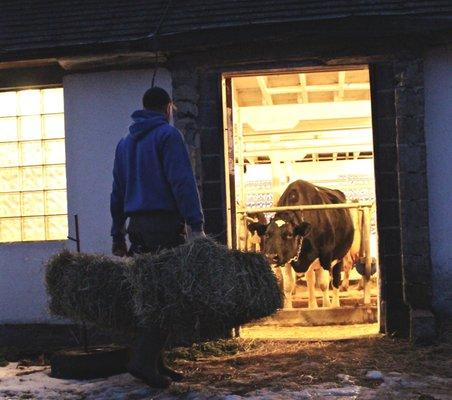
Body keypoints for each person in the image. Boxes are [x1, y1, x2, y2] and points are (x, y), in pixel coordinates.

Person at [110, 86, 205, 388]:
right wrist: (195, 223)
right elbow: (182, 180)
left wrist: (117, 233)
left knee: (150, 294)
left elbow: (118, 192)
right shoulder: (168, 136)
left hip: (136, 226)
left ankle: (155, 362)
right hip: (164, 224)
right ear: (168, 108)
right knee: (167, 295)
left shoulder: (125, 144)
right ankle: (142, 362)